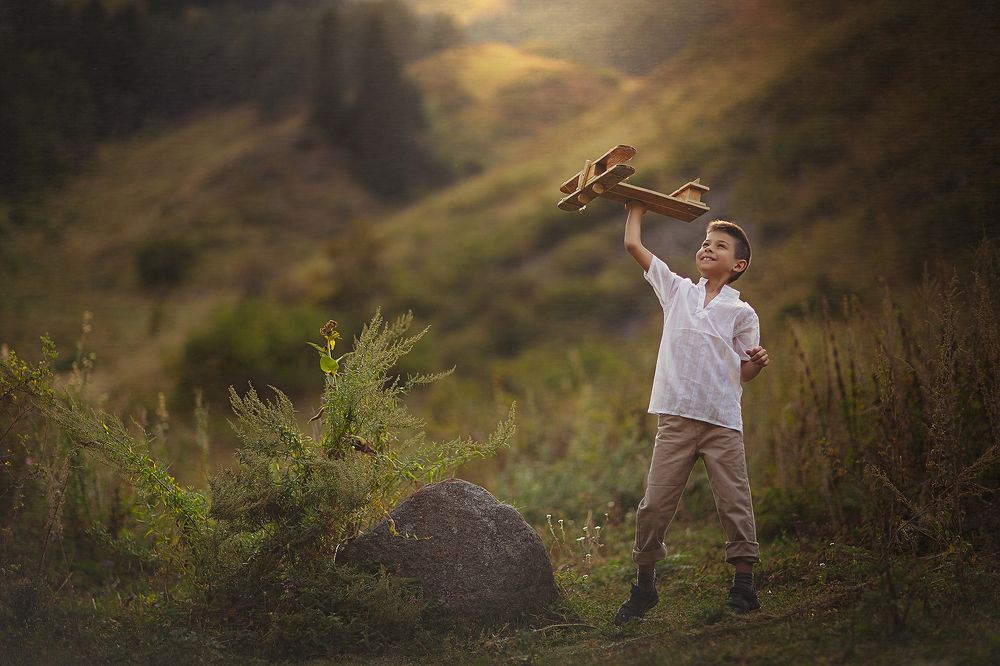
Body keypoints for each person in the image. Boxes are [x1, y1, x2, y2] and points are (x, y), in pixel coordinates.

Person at [613, 200, 769, 626]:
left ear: (737, 265)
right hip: (677, 418)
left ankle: (744, 586)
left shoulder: (741, 312)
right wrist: (637, 207)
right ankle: (644, 586)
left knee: (735, 502)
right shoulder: (677, 290)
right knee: (655, 504)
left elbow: (744, 373)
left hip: (722, 421)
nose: (707, 249)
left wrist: (756, 361)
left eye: (719, 246)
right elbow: (632, 243)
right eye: (704, 243)